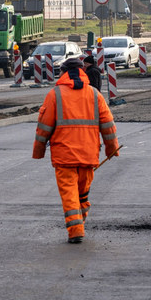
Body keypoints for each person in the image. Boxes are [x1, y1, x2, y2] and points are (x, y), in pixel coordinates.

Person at [32, 57, 120, 244]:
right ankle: (80, 220)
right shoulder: (95, 95)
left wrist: (39, 151)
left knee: (70, 194)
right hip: (88, 155)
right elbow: (108, 125)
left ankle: (75, 230)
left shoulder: (55, 94)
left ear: (63, 73)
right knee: (82, 193)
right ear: (82, 71)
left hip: (64, 157)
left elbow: (43, 127)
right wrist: (111, 149)